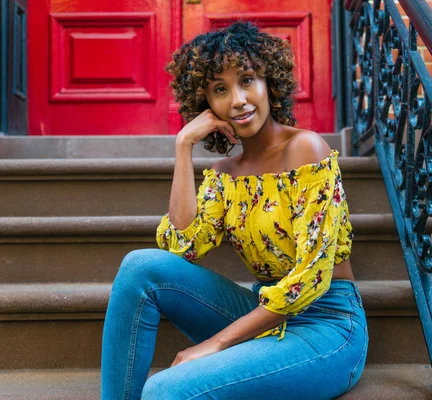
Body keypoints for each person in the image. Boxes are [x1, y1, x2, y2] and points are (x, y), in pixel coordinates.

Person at [101, 21, 368, 400]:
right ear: (206, 103)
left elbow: (310, 278)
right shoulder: (225, 176)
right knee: (139, 267)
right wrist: (183, 146)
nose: (238, 100)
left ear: (268, 83)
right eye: (220, 90)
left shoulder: (307, 150)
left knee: (165, 390)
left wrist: (217, 343)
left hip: (325, 326)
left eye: (247, 80)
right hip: (264, 312)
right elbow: (183, 247)